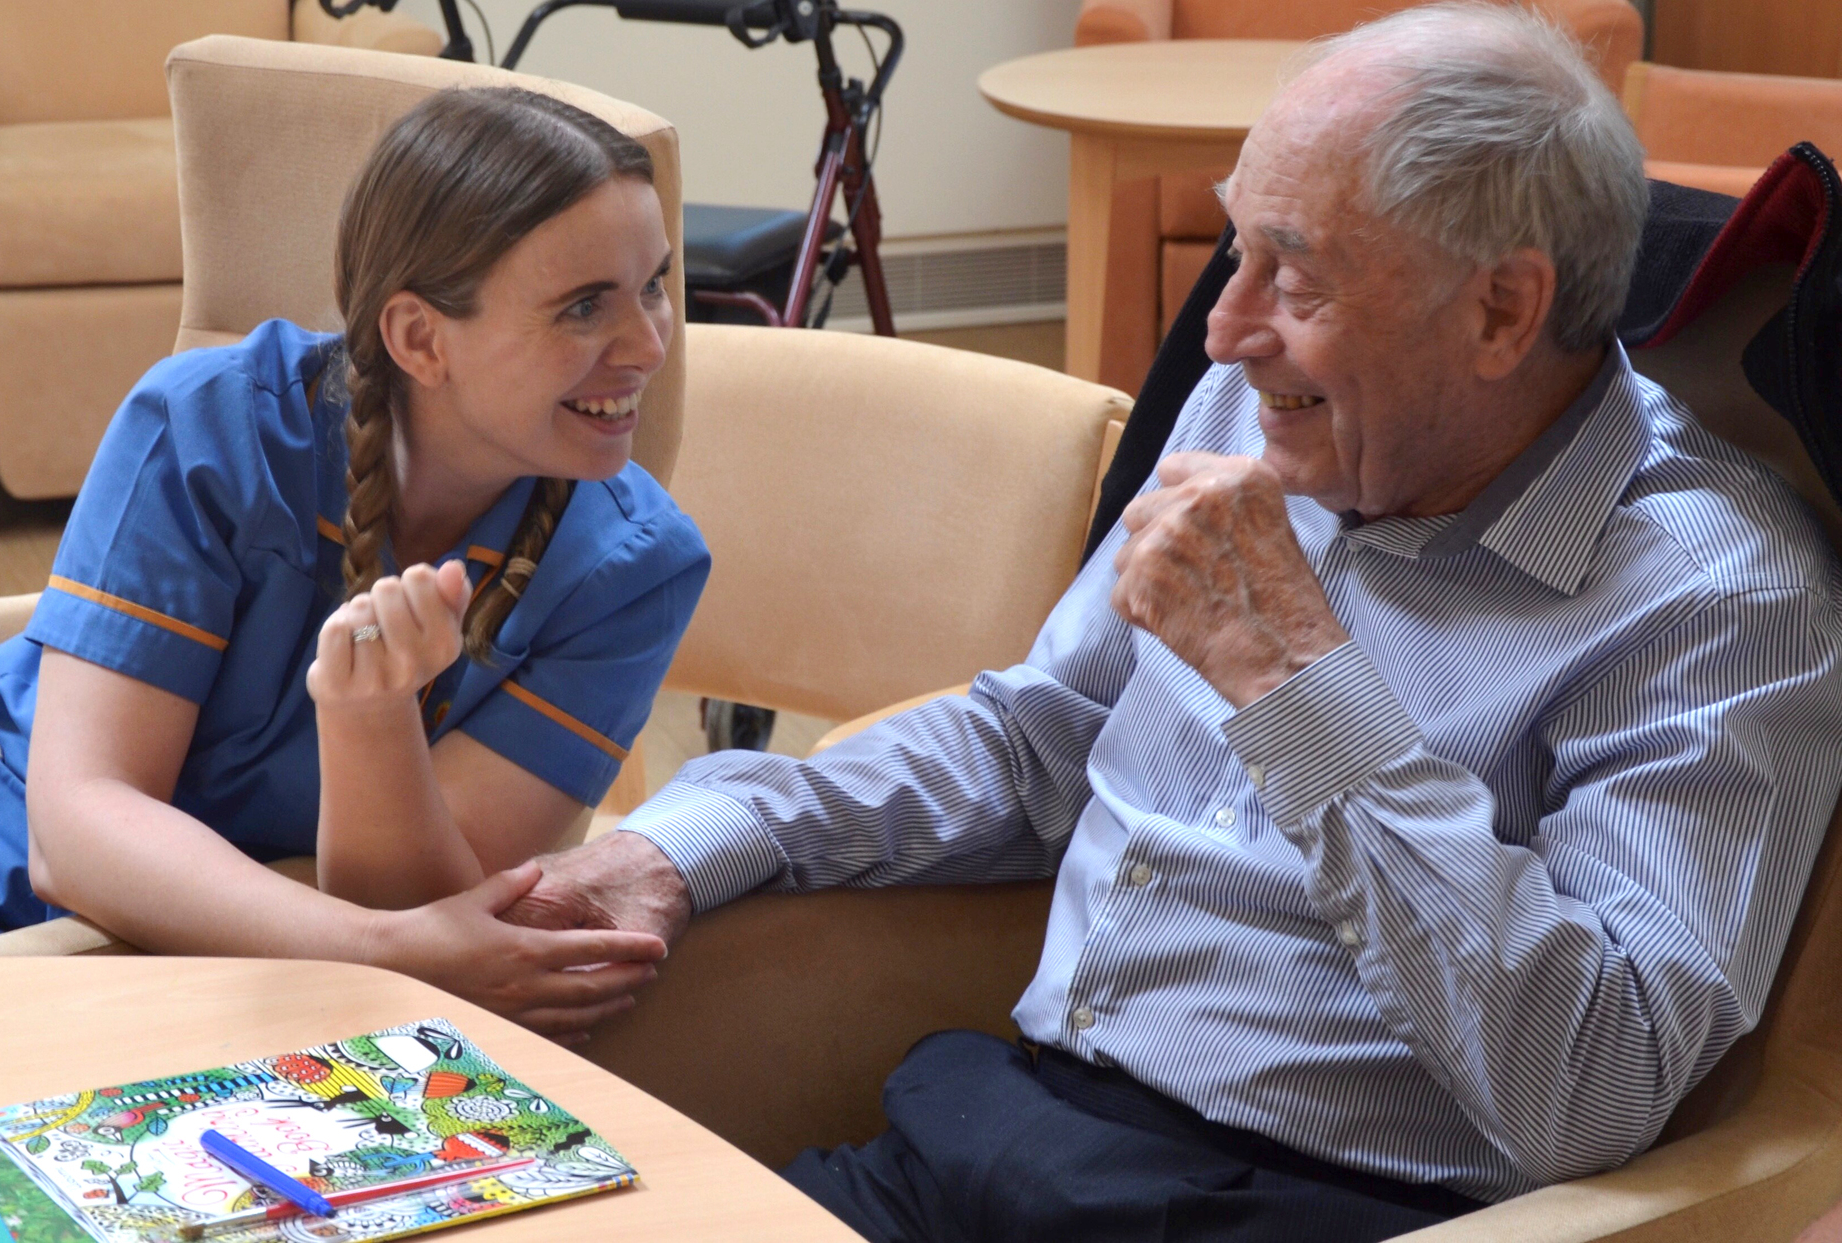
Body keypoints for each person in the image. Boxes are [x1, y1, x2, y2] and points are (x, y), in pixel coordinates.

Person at [505, 4, 1842, 1238]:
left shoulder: (1720, 601)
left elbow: (1595, 1081)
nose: (1223, 331)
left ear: (1502, 310)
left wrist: (1293, 676)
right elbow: (1037, 742)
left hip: (1311, 1200)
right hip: (992, 1133)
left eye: (1295, 275)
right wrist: (690, 846)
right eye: (1233, 248)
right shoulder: (1271, 411)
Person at [0, 86, 710, 1043]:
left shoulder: (634, 569)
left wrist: (370, 722)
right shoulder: (207, 428)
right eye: (585, 306)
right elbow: (75, 829)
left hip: (254, 977)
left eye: (654, 286)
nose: (648, 345)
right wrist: (373, 948)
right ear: (420, 337)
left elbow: (432, 915)